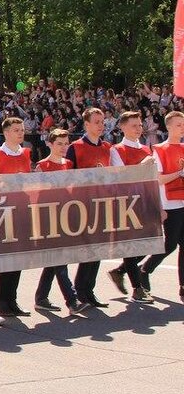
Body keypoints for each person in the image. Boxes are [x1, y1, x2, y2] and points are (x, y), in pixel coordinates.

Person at [0, 117, 33, 318]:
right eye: (16, 130)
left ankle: (11, 299)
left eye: (22, 130)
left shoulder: (25, 153)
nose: (21, 133)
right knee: (8, 257)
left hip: (22, 207)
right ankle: (1, 299)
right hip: (3, 210)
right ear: (6, 133)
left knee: (19, 257)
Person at [32, 129, 85, 314]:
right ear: (50, 144)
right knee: (59, 259)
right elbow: (36, 196)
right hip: (48, 217)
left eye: (66, 143)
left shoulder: (69, 164)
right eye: (59, 144)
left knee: (55, 260)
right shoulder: (42, 166)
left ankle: (41, 297)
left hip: (65, 215)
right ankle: (72, 300)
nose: (63, 147)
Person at [65, 107, 113, 308]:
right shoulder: (75, 147)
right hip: (82, 205)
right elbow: (67, 177)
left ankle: (88, 290)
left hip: (102, 203)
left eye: (102, 122)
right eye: (96, 122)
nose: (101, 126)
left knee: (99, 249)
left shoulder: (108, 147)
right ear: (86, 125)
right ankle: (80, 289)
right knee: (87, 249)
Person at [106, 111, 152, 300]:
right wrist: (143, 165)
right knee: (130, 246)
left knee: (149, 245)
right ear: (123, 127)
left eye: (140, 125)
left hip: (144, 201)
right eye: (134, 125)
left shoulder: (147, 149)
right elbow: (120, 176)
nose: (138, 129)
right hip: (126, 202)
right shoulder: (116, 149)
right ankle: (137, 288)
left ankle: (120, 271)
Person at [139, 110, 184, 300]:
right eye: (179, 125)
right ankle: (144, 270)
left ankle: (183, 285)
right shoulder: (160, 149)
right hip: (170, 203)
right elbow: (158, 180)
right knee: (170, 245)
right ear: (169, 127)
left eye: (183, 124)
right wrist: (179, 174)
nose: (182, 128)